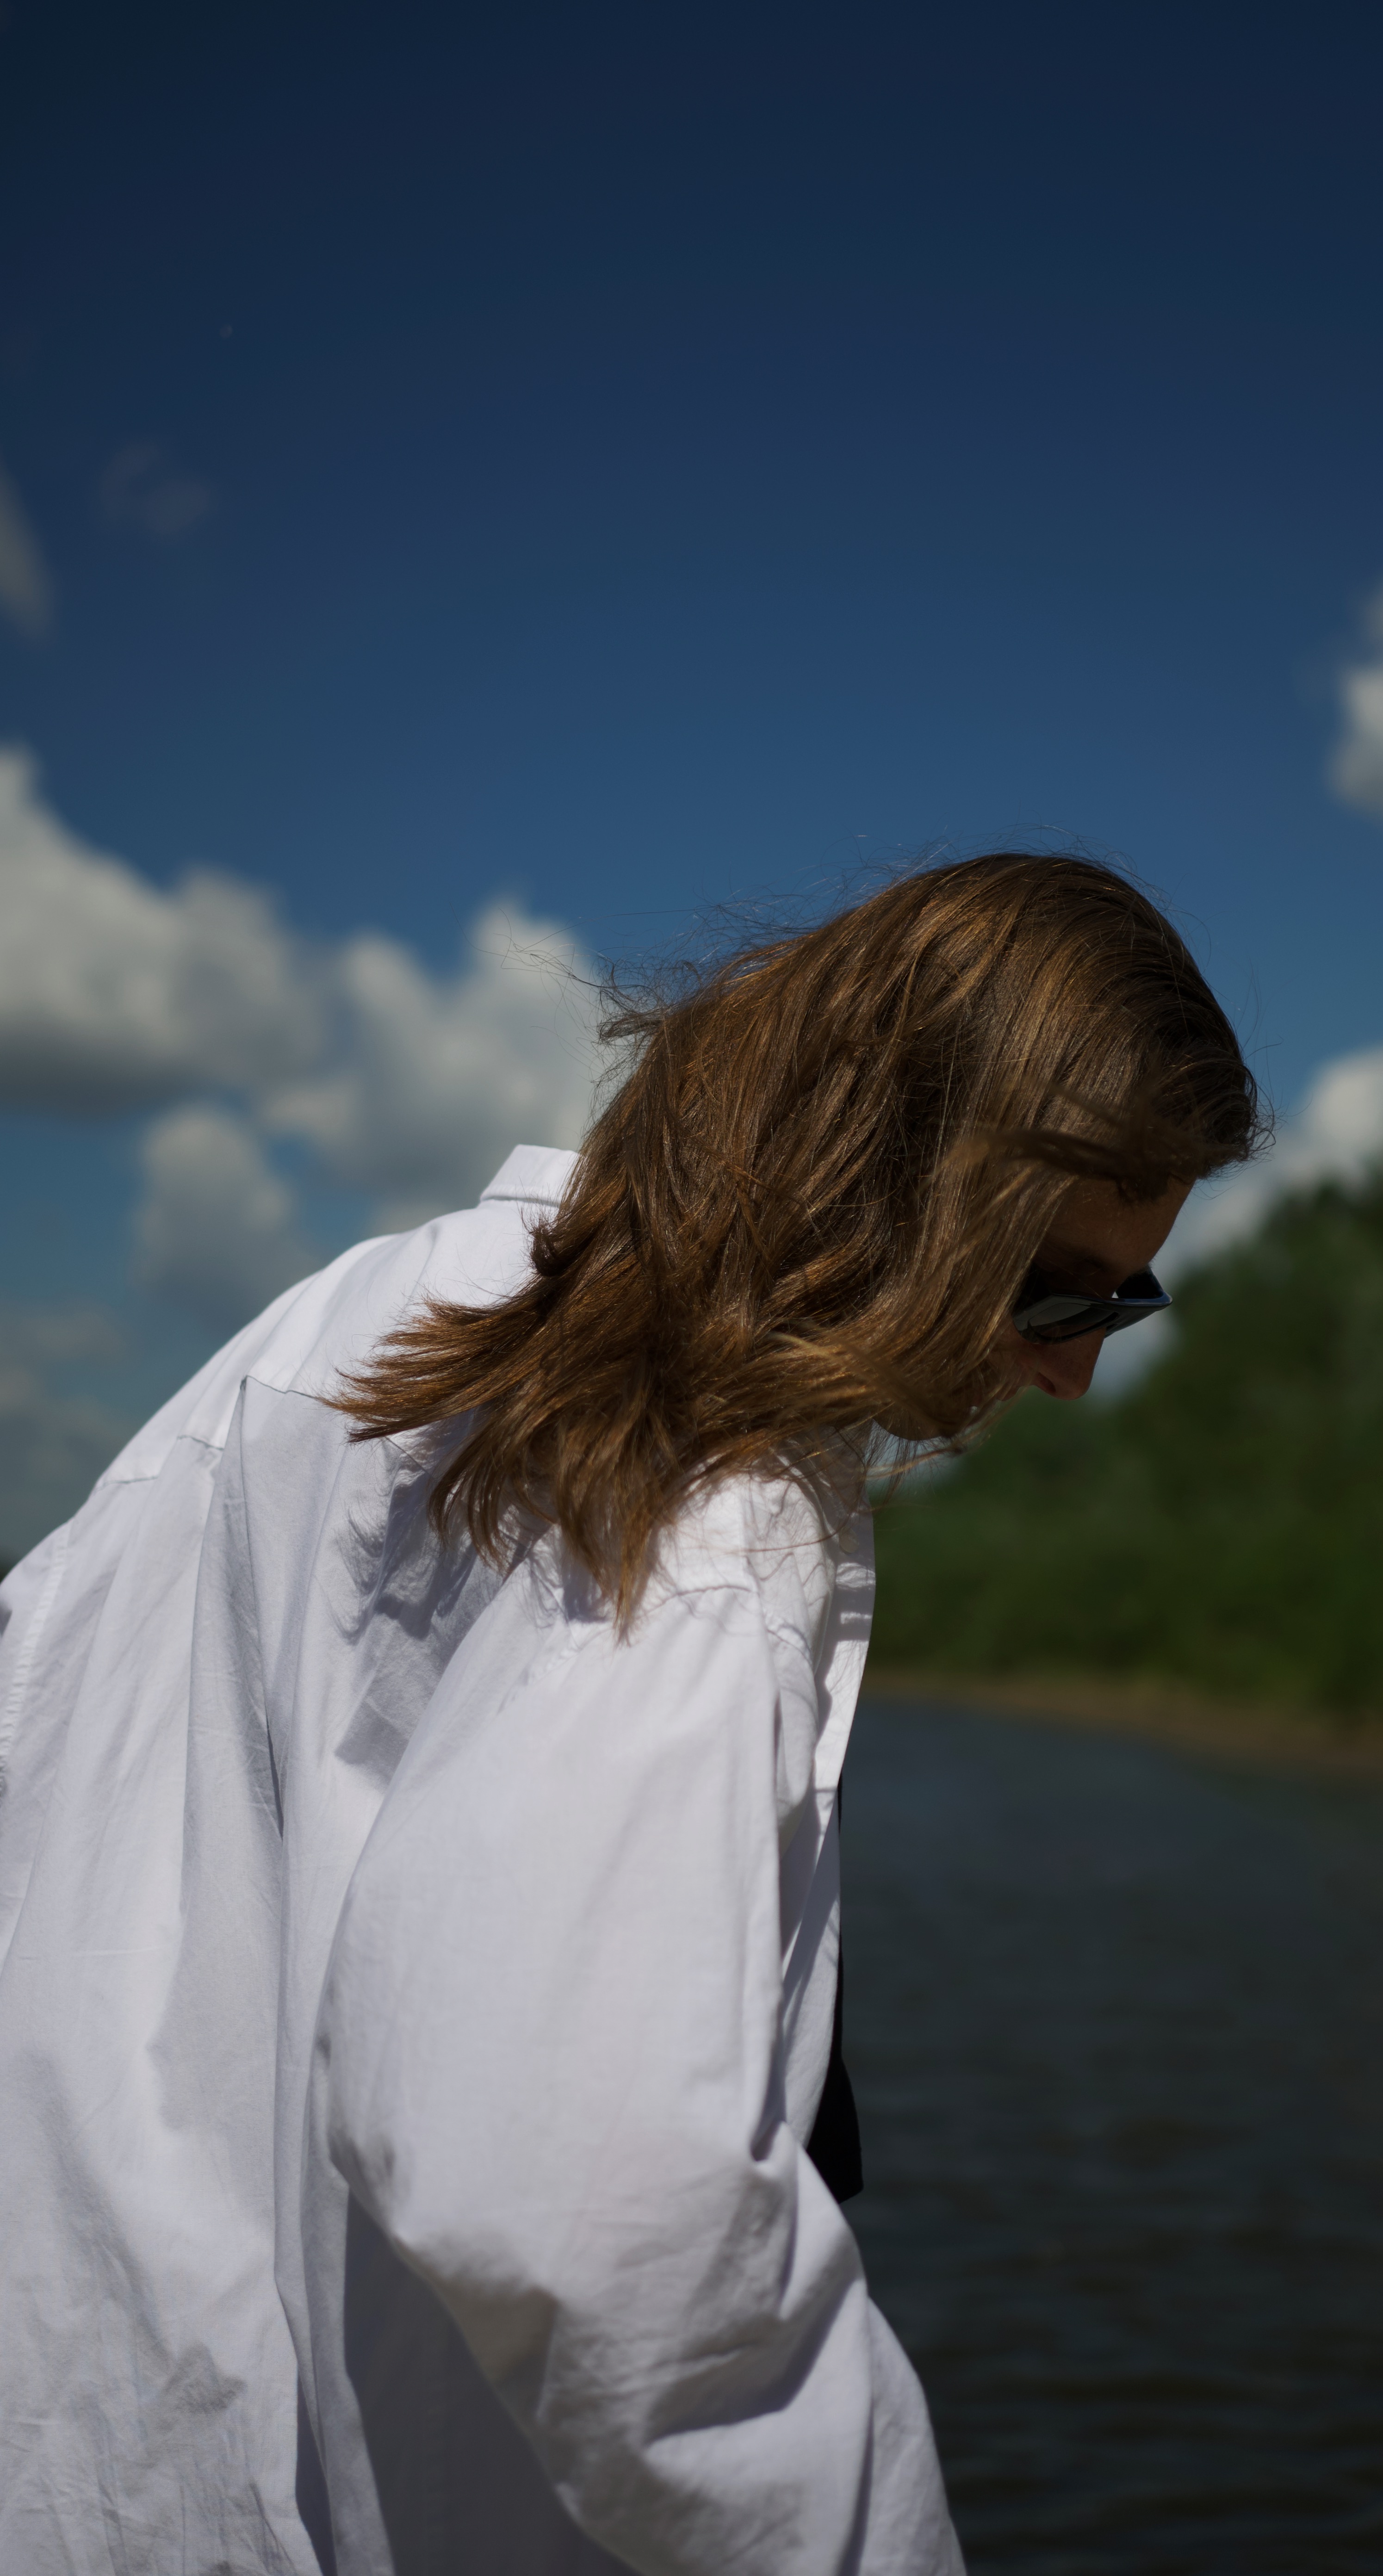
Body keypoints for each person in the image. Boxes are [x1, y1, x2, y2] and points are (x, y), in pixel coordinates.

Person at [0, 853, 1259, 2576]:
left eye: (1127, 1298)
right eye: (1059, 1287)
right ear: (911, 1179)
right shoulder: (723, 1502)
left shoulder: (339, 1326)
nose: (1078, 1366)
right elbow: (581, 2185)